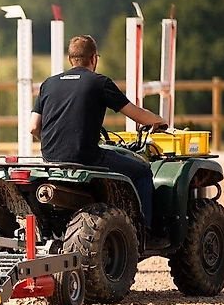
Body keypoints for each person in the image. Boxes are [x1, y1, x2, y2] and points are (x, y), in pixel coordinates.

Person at [30, 34, 167, 229]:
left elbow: (33, 126)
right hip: (87, 157)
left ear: (70, 59)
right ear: (94, 58)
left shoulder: (48, 84)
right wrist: (159, 121)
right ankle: (144, 229)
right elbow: (137, 115)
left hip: (50, 159)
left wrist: (53, 144)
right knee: (143, 171)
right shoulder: (99, 82)